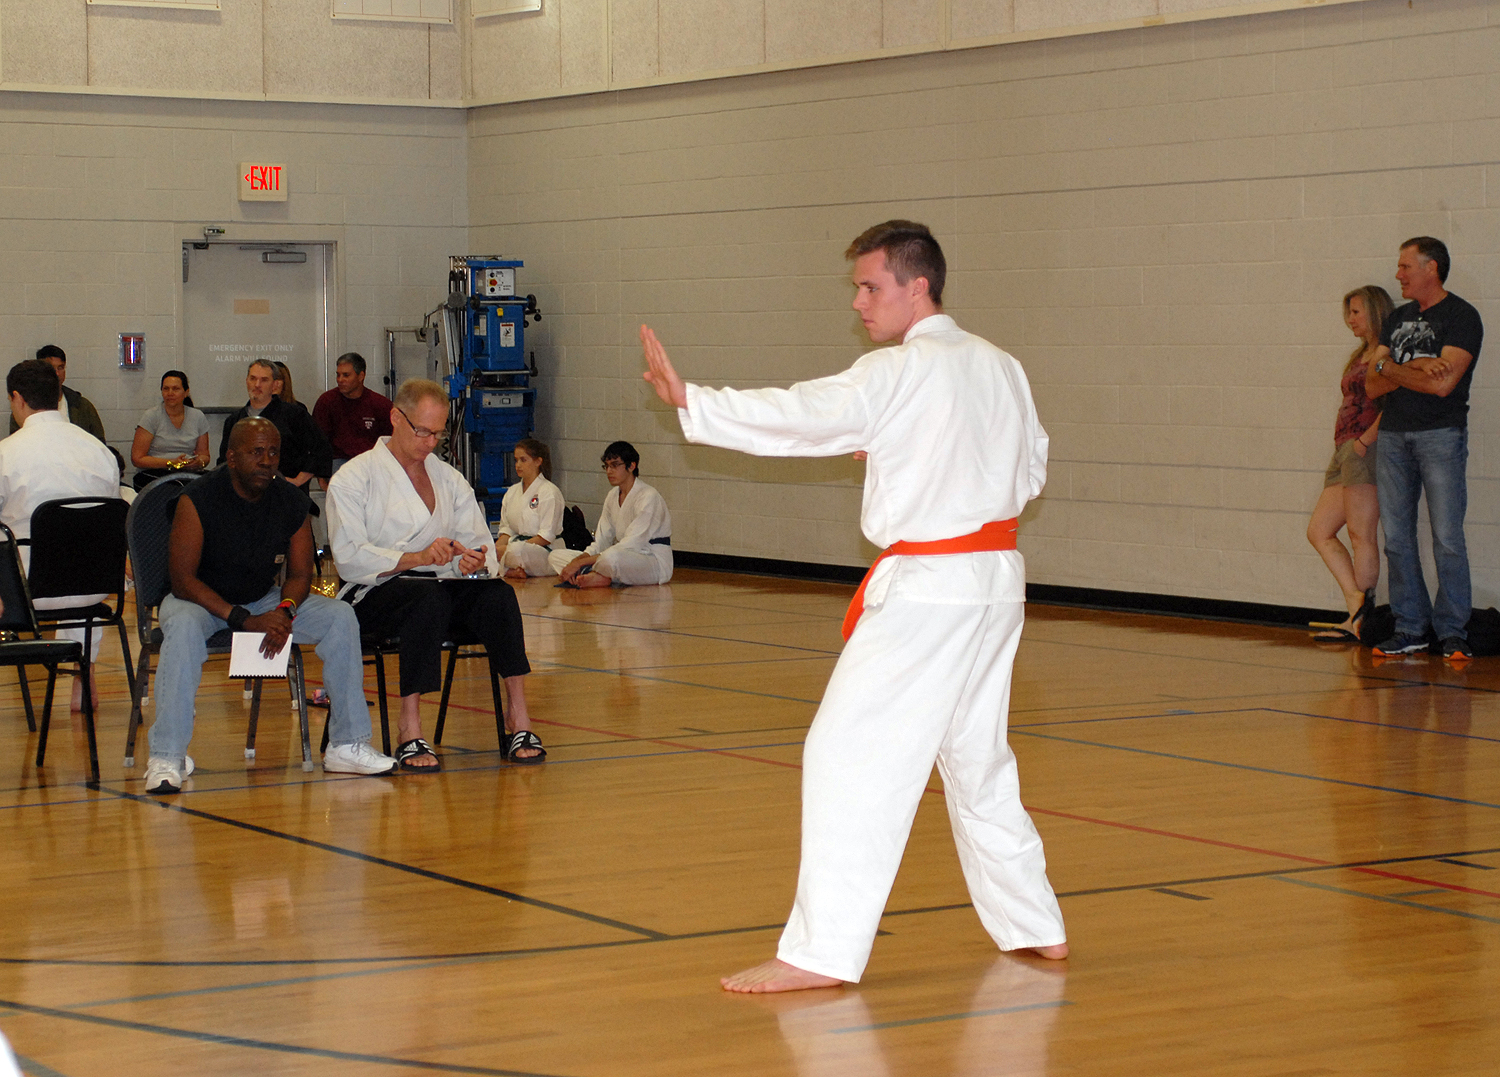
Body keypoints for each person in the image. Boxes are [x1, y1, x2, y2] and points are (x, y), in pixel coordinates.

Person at [641, 220, 1067, 993]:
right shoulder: (1000, 365)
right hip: (996, 579)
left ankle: (821, 951)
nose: (859, 302)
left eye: (871, 286)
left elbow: (805, 412)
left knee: (846, 752)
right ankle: (1034, 920)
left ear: (918, 286)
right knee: (975, 757)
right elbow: (1030, 469)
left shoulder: (899, 371)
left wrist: (694, 401)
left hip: (929, 587)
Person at [141, 418, 398, 794]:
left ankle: (346, 744)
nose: (266, 461)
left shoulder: (290, 500)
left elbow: (300, 573)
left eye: (273, 453)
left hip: (262, 599)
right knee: (180, 630)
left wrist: (285, 612)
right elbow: (182, 580)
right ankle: (167, 756)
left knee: (340, 616)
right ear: (231, 457)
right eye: (256, 452)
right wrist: (243, 619)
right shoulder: (197, 499)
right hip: (198, 601)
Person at [326, 378, 545, 768]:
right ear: (396, 418)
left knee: (497, 595)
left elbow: (478, 541)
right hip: (373, 596)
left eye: (438, 433)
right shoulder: (355, 477)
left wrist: (472, 561)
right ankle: (409, 725)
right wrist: (416, 557)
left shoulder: (447, 478)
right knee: (425, 598)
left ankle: (518, 714)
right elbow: (349, 557)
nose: (430, 442)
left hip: (441, 588)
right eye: (422, 431)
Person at [1364, 237, 1484, 661]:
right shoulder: (1396, 318)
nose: (1398, 275)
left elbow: (1443, 384)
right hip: (1393, 436)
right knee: (1396, 538)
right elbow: (1372, 384)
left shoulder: (1462, 316)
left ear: (1431, 268)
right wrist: (1414, 365)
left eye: (1405, 266)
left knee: (1447, 537)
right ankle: (1410, 627)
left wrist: (1390, 367)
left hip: (1441, 435)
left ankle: (1452, 632)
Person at [0, 359, 120, 712]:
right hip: (94, 585)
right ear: (58, 396)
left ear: (17, 398)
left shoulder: (6, 453)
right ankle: (85, 670)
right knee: (77, 545)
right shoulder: (100, 451)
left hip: (26, 594)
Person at [1307, 285, 1393, 642]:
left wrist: (1365, 441)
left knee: (1360, 534)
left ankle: (1361, 618)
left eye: (1356, 312)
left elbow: (1393, 405)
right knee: (1319, 531)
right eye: (1349, 313)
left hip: (1363, 449)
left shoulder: (1387, 354)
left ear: (1374, 312)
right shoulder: (1361, 354)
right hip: (1345, 449)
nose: (1350, 320)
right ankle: (1356, 603)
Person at [547, 441, 672, 587]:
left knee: (611, 558)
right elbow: (601, 541)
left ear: (631, 466)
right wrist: (576, 561)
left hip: (652, 561)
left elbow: (630, 545)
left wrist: (579, 563)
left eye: (614, 465)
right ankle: (600, 575)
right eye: (606, 466)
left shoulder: (648, 497)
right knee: (555, 556)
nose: (609, 471)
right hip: (621, 555)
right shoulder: (612, 496)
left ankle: (596, 573)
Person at [218, 358, 333, 491]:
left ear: (275, 385)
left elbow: (321, 449)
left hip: (285, 492)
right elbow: (225, 460)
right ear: (246, 381)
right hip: (246, 492)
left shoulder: (294, 415)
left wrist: (298, 481)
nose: (257, 385)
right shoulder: (234, 421)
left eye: (264, 380)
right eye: (253, 379)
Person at [130, 369, 211, 490]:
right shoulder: (151, 416)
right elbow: (137, 459)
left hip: (186, 472)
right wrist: (171, 463)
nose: (170, 393)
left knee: (212, 483)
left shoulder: (198, 416)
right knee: (179, 487)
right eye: (166, 389)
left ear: (186, 392)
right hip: (154, 472)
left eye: (175, 389)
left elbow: (205, 455)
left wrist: (198, 462)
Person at [7, 345, 106, 442]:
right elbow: (16, 441)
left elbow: (99, 442)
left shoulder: (82, 405)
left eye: (60, 367)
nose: (57, 373)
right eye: (52, 368)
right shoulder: (24, 408)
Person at [497, 438, 564, 579]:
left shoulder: (550, 492)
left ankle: (504, 569)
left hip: (545, 552)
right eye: (516, 460)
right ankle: (511, 571)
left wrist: (510, 549)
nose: (518, 465)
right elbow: (507, 530)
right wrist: (495, 549)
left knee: (517, 550)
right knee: (485, 550)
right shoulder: (512, 492)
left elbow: (546, 537)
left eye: (523, 460)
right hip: (516, 547)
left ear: (538, 461)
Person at [312, 352, 394, 467]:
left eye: (346, 375)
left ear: (361, 376)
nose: (340, 380)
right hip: (339, 460)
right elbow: (318, 442)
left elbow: (391, 440)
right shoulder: (327, 401)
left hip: (371, 460)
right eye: (338, 375)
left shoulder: (380, 404)